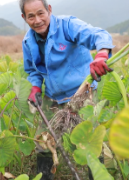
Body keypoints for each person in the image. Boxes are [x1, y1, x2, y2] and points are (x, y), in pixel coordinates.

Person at [19, 0, 114, 179]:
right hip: (52, 97)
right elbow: (32, 70)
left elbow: (98, 34)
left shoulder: (67, 25)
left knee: (89, 144)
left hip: (81, 94)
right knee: (44, 142)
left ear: (49, 10)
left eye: (41, 13)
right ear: (24, 18)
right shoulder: (28, 41)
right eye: (31, 16)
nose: (37, 20)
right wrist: (34, 86)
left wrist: (101, 54)